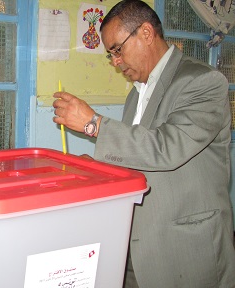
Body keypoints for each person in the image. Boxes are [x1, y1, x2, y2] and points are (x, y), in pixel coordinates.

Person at [52, 0, 235, 287]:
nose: (115, 62)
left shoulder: (203, 82)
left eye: (117, 50)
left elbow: (167, 148)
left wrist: (94, 124)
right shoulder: (136, 94)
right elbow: (140, 155)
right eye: (111, 55)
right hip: (137, 243)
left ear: (146, 34)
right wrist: (97, 167)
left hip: (185, 248)